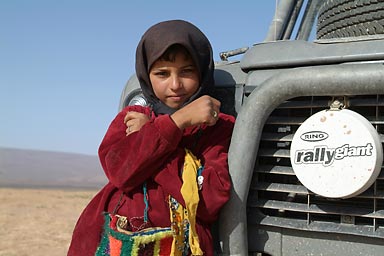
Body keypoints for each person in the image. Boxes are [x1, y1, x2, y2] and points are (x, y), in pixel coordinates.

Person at [67, 19, 235, 256]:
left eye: (187, 71)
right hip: (114, 240)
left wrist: (155, 135)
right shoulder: (133, 117)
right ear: (147, 75)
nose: (175, 84)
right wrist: (176, 123)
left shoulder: (217, 127)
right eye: (162, 73)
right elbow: (121, 172)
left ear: (203, 71)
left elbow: (209, 200)